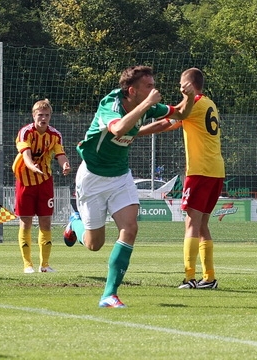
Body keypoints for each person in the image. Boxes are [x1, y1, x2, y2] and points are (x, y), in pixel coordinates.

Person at [63, 65, 195, 308]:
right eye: (149, 86)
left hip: (121, 177)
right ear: (132, 90)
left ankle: (109, 295)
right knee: (94, 244)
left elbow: (181, 114)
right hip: (92, 176)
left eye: (154, 85)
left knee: (130, 228)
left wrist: (188, 95)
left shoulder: (147, 104)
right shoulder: (110, 103)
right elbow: (118, 128)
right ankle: (75, 223)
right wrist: (147, 106)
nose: (154, 90)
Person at [139, 68, 225, 289]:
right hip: (215, 170)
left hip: (200, 170)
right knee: (202, 225)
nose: (179, 87)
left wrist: (136, 119)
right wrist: (136, 133)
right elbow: (166, 124)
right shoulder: (208, 103)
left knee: (191, 223)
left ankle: (189, 278)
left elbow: (170, 115)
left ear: (188, 83)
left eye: (180, 83)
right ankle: (210, 277)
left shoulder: (193, 102)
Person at [12, 99, 71, 274]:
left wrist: (65, 165)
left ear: (50, 116)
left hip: (45, 181)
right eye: (40, 115)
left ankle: (45, 265)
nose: (43, 118)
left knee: (46, 221)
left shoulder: (55, 135)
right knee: (26, 222)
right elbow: (26, 155)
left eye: (46, 115)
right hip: (25, 181)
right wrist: (32, 167)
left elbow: (60, 154)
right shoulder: (26, 132)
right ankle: (27, 264)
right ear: (34, 116)